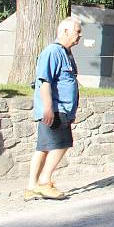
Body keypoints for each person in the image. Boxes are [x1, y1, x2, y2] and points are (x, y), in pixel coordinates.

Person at [23, 17, 83, 201]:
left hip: (62, 110)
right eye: (77, 31)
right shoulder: (52, 52)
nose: (79, 35)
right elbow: (44, 81)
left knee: (43, 148)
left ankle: (31, 187)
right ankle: (44, 181)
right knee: (62, 144)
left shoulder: (66, 54)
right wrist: (48, 108)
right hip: (55, 110)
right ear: (65, 31)